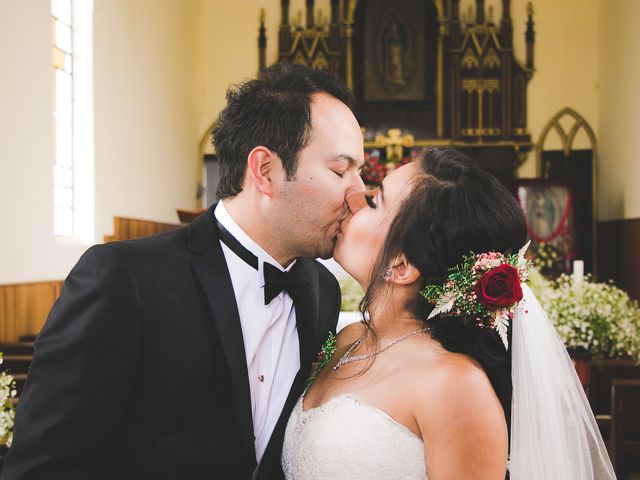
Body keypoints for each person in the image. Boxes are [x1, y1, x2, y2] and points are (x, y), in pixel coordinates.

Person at [1, 63, 365, 480]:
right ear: (265, 170)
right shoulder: (125, 280)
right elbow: (43, 468)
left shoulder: (320, 291)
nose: (357, 194)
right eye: (341, 171)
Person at [282, 147, 615, 479]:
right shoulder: (348, 339)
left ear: (401, 265)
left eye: (373, 201)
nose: (355, 198)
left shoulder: (455, 385)